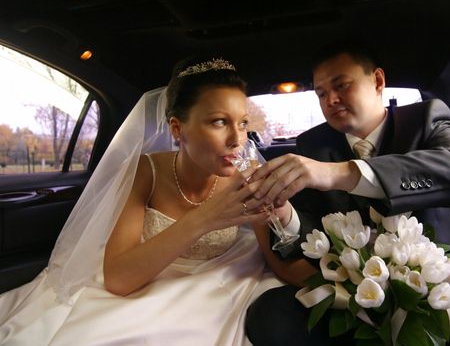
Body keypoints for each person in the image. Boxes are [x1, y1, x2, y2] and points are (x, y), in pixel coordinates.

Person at [245, 41, 450, 345]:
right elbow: (307, 230)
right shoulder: (312, 146)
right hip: (356, 305)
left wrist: (340, 173)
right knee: (270, 310)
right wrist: (286, 216)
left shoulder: (426, 118)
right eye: (322, 94)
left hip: (447, 289)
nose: (331, 100)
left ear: (377, 80)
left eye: (341, 85)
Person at [0, 56, 283, 345]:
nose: (238, 139)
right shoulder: (146, 171)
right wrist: (205, 218)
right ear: (177, 129)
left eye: (243, 122)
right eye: (219, 122)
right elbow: (118, 280)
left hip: (218, 291)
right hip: (141, 284)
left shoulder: (249, 177)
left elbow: (282, 265)